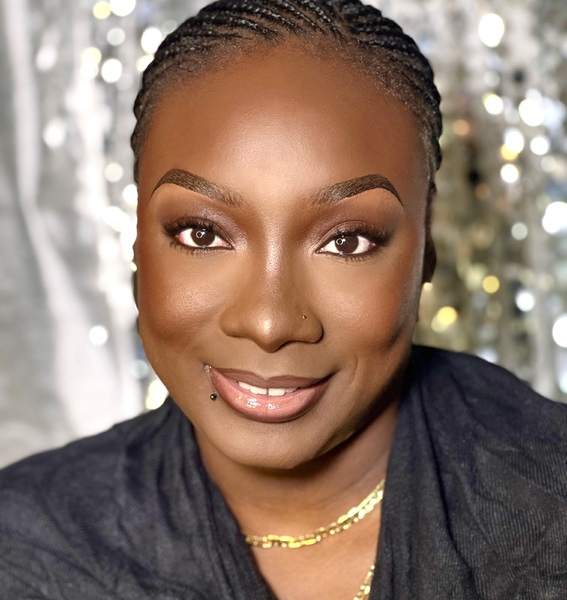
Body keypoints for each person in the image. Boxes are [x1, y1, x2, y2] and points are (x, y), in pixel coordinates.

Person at [1, 1, 566, 598]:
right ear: (139, 242)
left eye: (347, 241)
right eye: (202, 234)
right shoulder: (28, 551)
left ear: (426, 247)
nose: (269, 323)